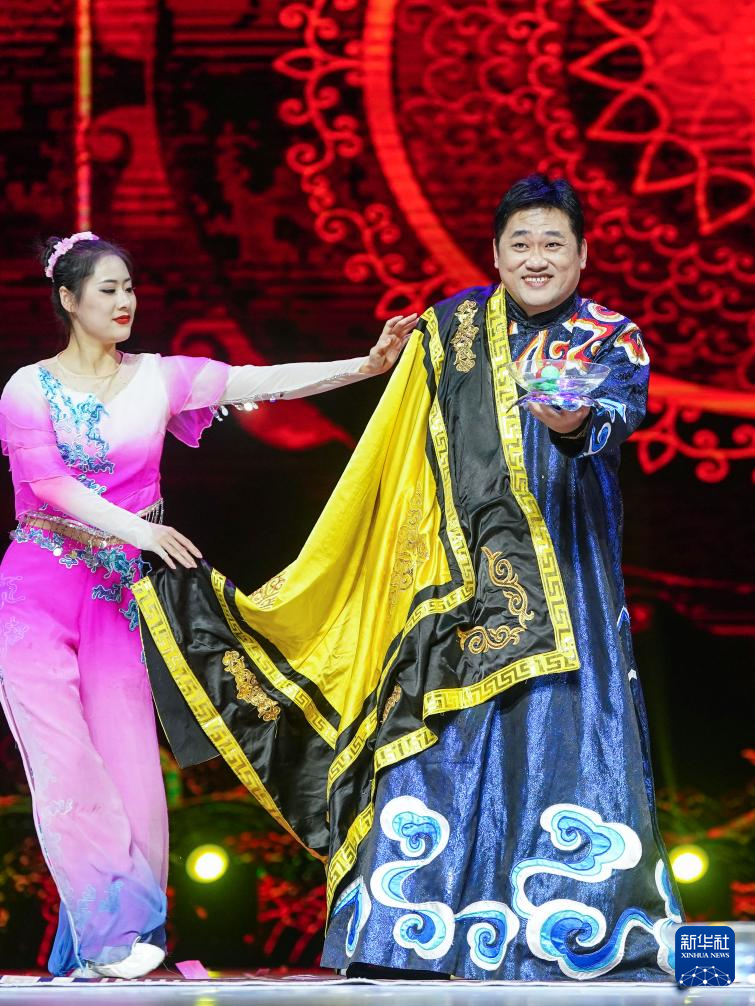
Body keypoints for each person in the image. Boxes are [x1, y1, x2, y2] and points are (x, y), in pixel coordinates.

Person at [137, 175, 683, 982]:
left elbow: (612, 416)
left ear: (581, 255)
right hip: (451, 581)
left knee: (561, 742)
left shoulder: (609, 337)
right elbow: (391, 456)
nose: (536, 259)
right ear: (494, 254)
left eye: (552, 244)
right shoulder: (449, 329)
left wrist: (572, 423)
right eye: (520, 244)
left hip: (564, 589)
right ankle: (409, 937)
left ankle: (571, 932)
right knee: (431, 741)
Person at [0, 230, 415, 979]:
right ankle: (109, 933)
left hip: (117, 596)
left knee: (130, 765)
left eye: (130, 287)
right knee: (63, 757)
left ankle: (115, 932)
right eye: (107, 289)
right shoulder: (27, 388)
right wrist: (142, 532)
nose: (125, 301)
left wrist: (365, 364)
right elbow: (50, 484)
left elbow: (263, 380)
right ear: (68, 299)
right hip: (39, 588)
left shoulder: (159, 378)